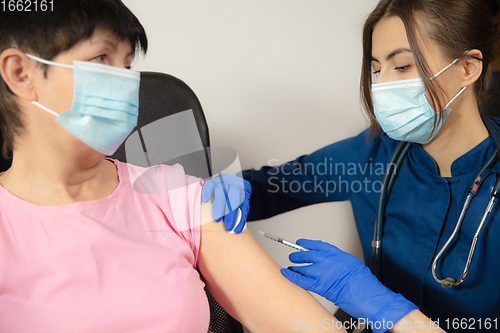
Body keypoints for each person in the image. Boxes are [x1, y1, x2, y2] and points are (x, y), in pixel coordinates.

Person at [0, 1, 349, 332]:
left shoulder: (174, 194)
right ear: (21, 73)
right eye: (101, 57)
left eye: (126, 64)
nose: (124, 82)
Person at [233, 0, 500, 332]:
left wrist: (376, 303)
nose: (382, 86)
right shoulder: (373, 154)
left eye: (401, 67)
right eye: (376, 69)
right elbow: (273, 186)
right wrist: (235, 189)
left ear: (467, 68)